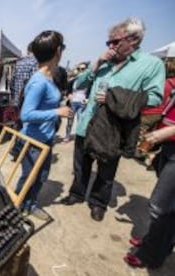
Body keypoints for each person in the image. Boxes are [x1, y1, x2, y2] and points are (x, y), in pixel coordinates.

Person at [60, 17, 165, 221]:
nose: (110, 46)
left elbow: (154, 97)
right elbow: (79, 84)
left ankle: (99, 203)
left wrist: (114, 97)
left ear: (134, 40)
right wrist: (97, 64)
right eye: (108, 42)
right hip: (87, 123)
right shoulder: (105, 62)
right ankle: (76, 193)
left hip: (114, 128)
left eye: (115, 41)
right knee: (81, 163)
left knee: (106, 170)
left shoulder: (151, 65)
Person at [15, 31, 72, 220]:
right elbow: (26, 114)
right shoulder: (39, 82)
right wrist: (57, 112)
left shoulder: (49, 77)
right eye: (62, 48)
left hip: (44, 139)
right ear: (57, 51)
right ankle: (16, 208)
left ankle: (30, 205)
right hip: (33, 142)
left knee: (41, 177)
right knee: (29, 178)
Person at [123, 98, 175, 269]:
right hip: (168, 144)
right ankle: (155, 244)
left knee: (159, 206)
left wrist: (168, 131)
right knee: (168, 206)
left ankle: (150, 255)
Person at [63, 62, 89, 143]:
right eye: (79, 69)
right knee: (70, 121)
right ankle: (67, 136)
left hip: (82, 103)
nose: (80, 70)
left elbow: (91, 92)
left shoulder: (89, 81)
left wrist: (87, 99)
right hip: (73, 103)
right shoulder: (73, 80)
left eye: (83, 69)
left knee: (80, 121)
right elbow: (67, 90)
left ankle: (79, 138)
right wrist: (69, 95)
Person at [10, 42, 38, 107]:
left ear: (28, 50)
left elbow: (12, 82)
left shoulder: (19, 62)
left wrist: (14, 97)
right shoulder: (36, 63)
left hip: (17, 101)